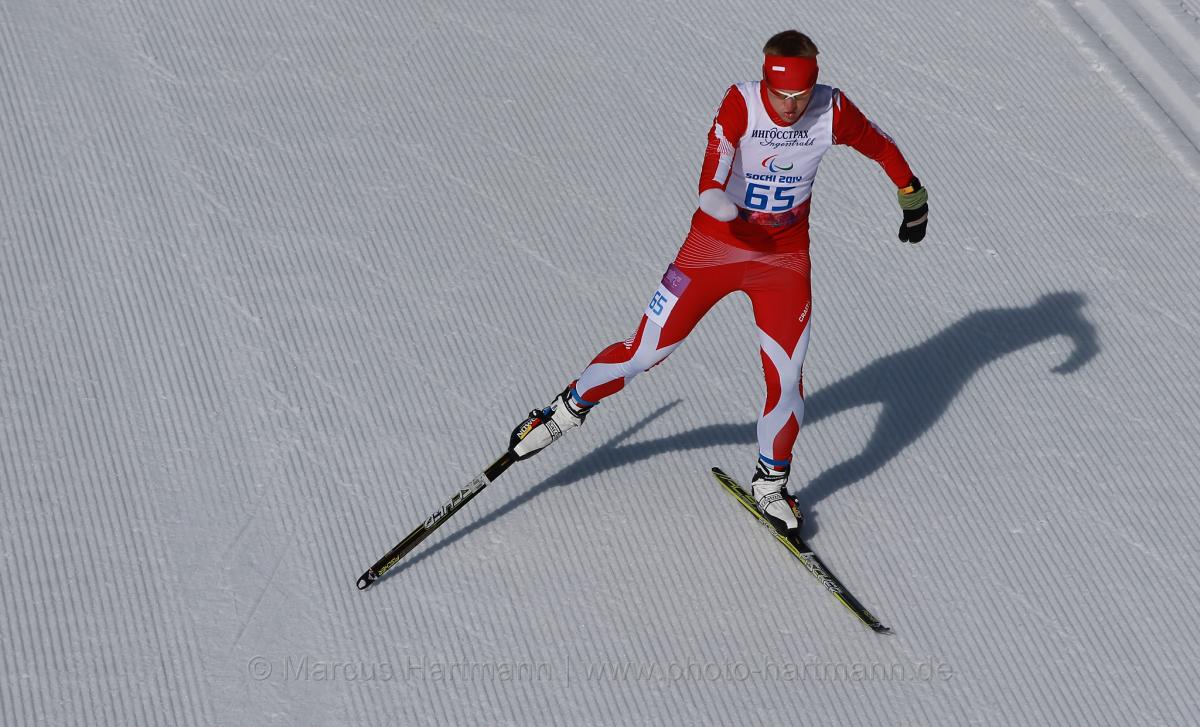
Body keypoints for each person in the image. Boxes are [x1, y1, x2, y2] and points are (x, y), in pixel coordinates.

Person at [507, 30, 929, 531]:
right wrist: (713, 195)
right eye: (781, 96)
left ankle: (771, 483)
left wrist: (911, 193)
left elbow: (880, 145)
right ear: (765, 82)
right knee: (646, 351)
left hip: (783, 263)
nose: (790, 108)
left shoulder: (831, 109)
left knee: (787, 378)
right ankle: (563, 411)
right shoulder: (742, 102)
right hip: (712, 252)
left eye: (799, 97)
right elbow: (717, 157)